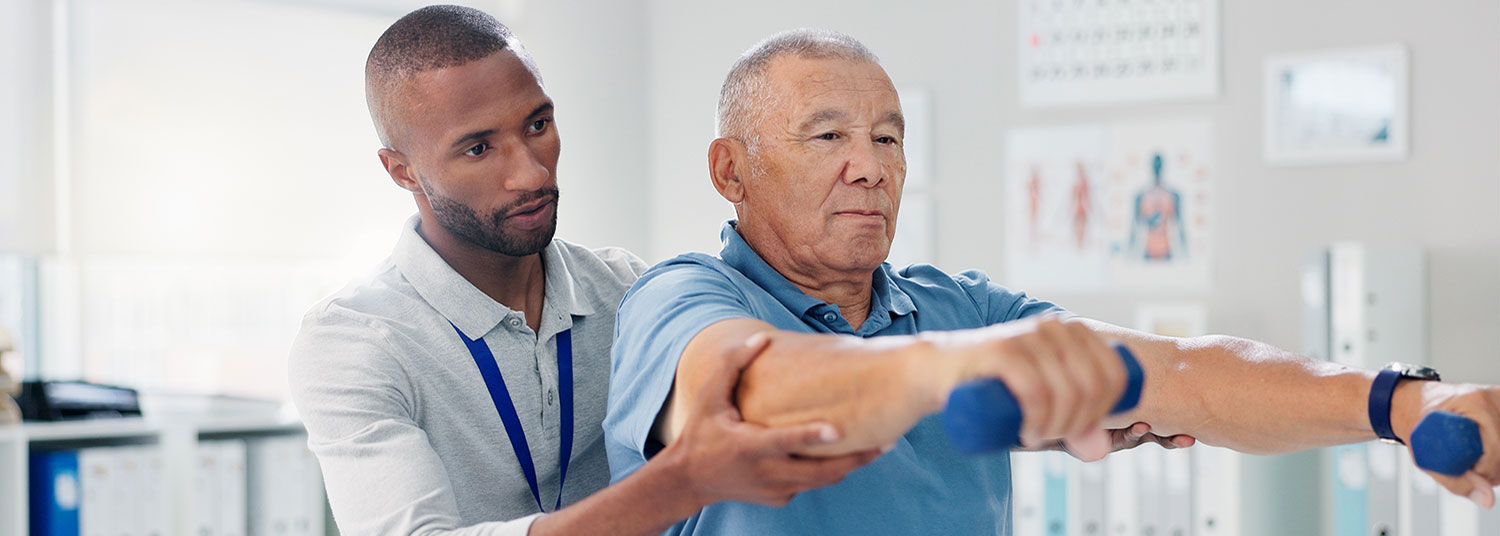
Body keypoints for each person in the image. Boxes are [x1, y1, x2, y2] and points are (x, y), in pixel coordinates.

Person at [604, 28, 1500, 535]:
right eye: (827, 136)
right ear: (731, 171)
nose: (870, 166)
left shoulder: (963, 309)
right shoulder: (681, 299)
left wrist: (1400, 405)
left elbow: (1183, 373)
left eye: (888, 136)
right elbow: (752, 393)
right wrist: (961, 368)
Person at [287, 8, 879, 535]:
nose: (532, 174)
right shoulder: (352, 342)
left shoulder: (630, 289)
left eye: (538, 125)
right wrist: (684, 481)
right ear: (401, 171)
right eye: (478, 148)